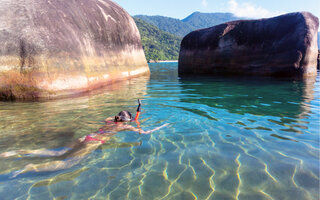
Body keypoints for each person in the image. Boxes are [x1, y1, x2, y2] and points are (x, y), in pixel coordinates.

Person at [0, 102, 168, 178]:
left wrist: (126, 119)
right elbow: (144, 132)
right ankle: (30, 168)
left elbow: (115, 118)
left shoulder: (110, 120)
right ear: (126, 120)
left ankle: (18, 152)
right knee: (69, 163)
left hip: (86, 137)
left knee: (60, 151)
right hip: (94, 143)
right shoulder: (123, 126)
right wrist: (159, 127)